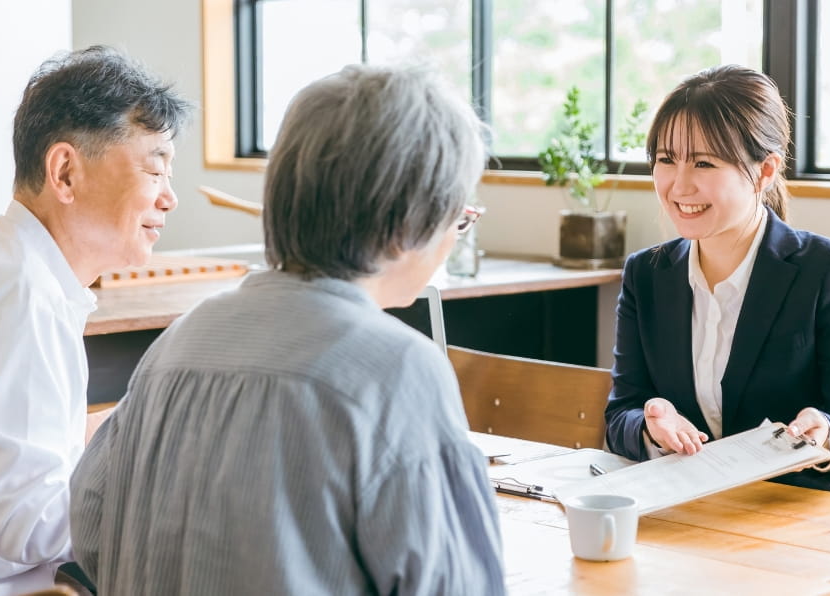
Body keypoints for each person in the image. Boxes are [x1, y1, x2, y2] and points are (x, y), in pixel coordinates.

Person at [69, 64, 505, 595]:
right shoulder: (398, 369)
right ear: (409, 224)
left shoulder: (180, 342)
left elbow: (90, 531)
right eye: (458, 219)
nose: (454, 236)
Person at [603, 65, 830, 595]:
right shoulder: (647, 274)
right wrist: (647, 425)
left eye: (704, 162)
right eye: (665, 160)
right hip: (710, 532)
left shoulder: (829, 269)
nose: (679, 185)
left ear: (765, 170)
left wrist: (827, 436)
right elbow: (621, 413)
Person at [0, 46, 191, 595]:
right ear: (65, 171)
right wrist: (168, 496)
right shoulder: (18, 297)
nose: (171, 198)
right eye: (154, 167)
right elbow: (29, 524)